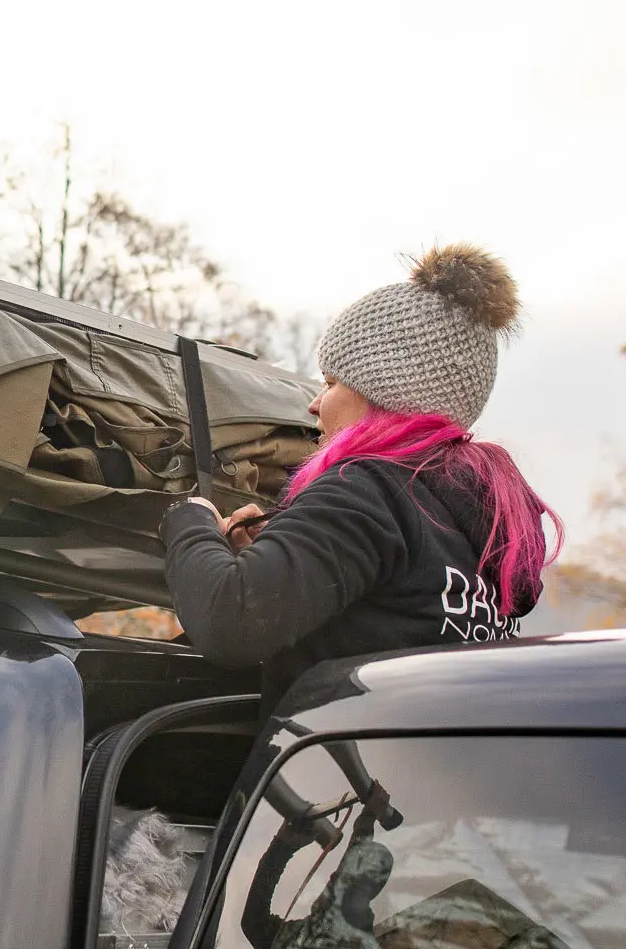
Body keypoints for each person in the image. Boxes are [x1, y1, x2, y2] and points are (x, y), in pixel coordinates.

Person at [162, 244, 558, 714]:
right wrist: (282, 552)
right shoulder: (479, 525)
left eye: (331, 382)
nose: (314, 404)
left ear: (383, 390)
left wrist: (191, 520)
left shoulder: (365, 491)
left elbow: (230, 622)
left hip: (330, 763)